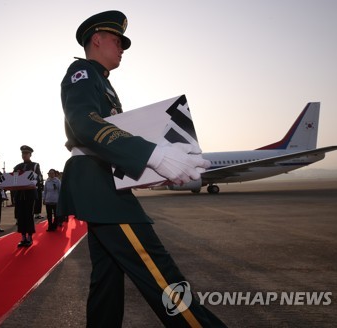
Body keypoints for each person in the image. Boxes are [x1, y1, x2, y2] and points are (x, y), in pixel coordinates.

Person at [58, 11, 227, 327]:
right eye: (117, 40)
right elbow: (85, 124)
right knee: (161, 276)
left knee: (107, 280)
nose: (122, 47)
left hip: (104, 181)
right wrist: (153, 154)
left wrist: (151, 171)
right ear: (97, 39)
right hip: (98, 184)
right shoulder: (81, 72)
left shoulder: (104, 84)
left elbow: (111, 139)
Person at [12, 145, 42, 247]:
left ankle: (30, 237)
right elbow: (13, 180)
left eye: (26, 153)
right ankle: (23, 237)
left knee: (29, 215)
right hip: (20, 195)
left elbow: (38, 178)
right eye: (23, 153)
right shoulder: (17, 166)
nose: (24, 155)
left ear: (30, 154)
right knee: (20, 216)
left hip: (30, 194)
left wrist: (32, 181)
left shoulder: (35, 165)